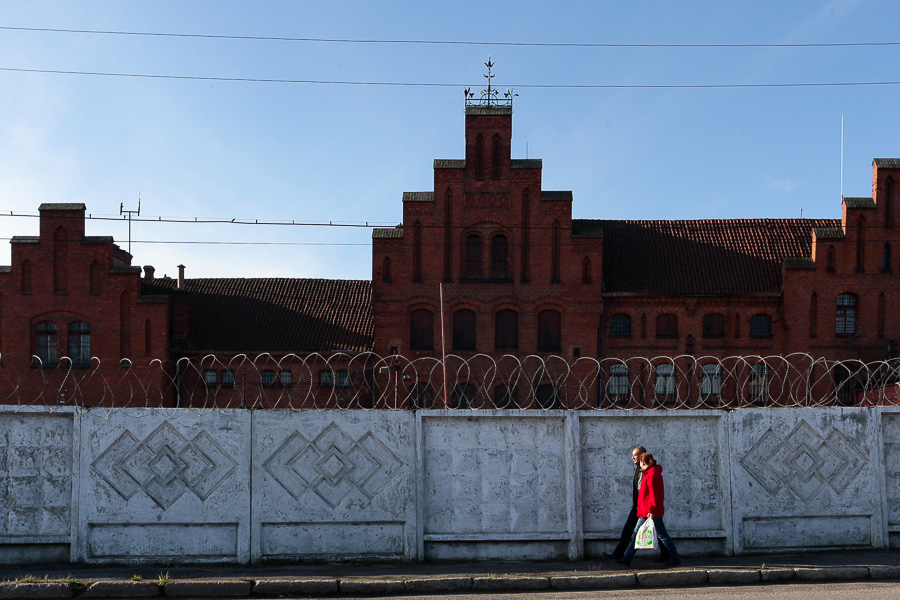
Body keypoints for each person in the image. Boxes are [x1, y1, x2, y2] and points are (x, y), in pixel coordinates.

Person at [603, 446, 669, 563]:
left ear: (642, 455)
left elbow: (652, 492)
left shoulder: (649, 471)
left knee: (656, 533)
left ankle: (669, 556)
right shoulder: (637, 470)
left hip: (646, 507)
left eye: (635, 455)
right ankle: (620, 555)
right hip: (638, 506)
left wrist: (651, 508)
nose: (632, 457)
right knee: (631, 530)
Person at [616, 452, 681, 567]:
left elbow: (653, 495)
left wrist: (651, 510)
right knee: (637, 534)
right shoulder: (649, 473)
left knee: (662, 535)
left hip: (650, 512)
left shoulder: (652, 475)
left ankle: (675, 558)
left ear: (643, 462)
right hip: (645, 511)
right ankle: (627, 558)